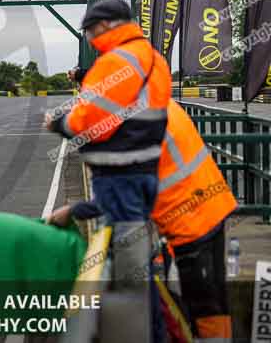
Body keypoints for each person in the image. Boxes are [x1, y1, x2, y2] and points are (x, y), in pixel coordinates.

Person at [48, 100, 237, 341]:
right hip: (211, 207)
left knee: (198, 306)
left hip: (188, 224)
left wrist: (73, 210)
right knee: (213, 301)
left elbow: (119, 194)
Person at [43, 0, 171, 342]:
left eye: (89, 31)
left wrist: (59, 123)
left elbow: (93, 117)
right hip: (144, 171)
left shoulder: (117, 60)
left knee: (129, 277)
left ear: (104, 26)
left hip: (118, 174)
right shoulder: (152, 59)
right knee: (138, 271)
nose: (89, 39)